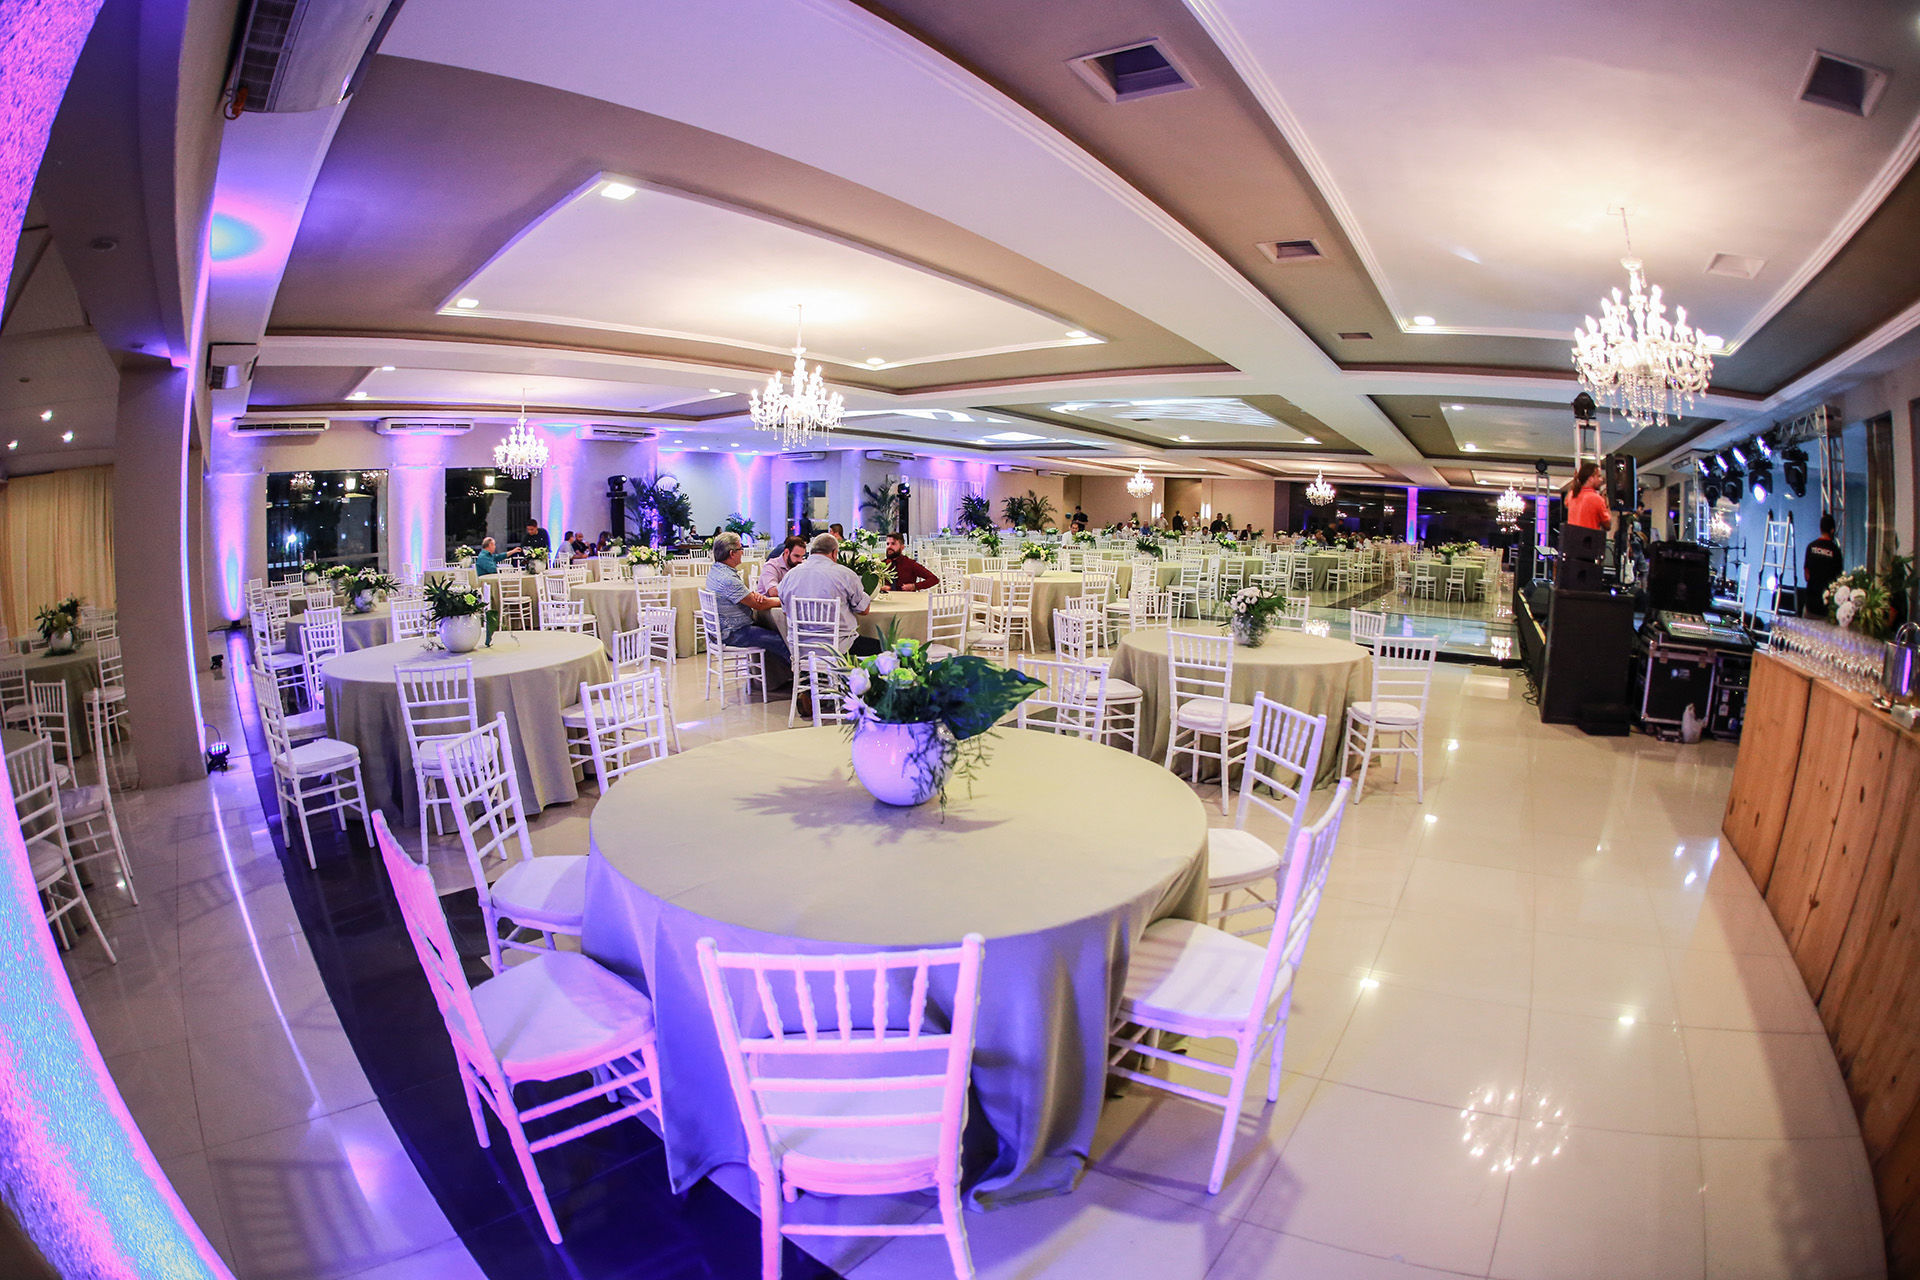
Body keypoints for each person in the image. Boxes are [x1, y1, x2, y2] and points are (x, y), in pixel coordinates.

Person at [704, 533, 789, 690]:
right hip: (734, 632)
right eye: (740, 548)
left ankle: (778, 679)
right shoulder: (728, 579)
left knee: (771, 633)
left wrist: (753, 596)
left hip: (720, 631)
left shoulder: (716, 571)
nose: (742, 552)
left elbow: (749, 598)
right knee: (782, 640)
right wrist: (784, 601)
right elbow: (759, 606)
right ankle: (802, 681)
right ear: (732, 553)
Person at [779, 533, 881, 656]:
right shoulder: (845, 575)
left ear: (811, 551)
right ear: (834, 553)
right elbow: (864, 610)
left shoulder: (789, 576)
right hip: (839, 648)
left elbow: (786, 611)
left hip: (801, 648)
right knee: (883, 646)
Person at [1803, 512, 1843, 615]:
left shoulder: (1810, 547)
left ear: (1820, 528)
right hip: (1827, 606)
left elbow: (1806, 576)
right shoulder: (1835, 551)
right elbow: (1838, 579)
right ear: (1832, 530)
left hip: (1811, 603)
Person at [1565, 461, 1610, 531]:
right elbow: (1607, 525)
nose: (1601, 480)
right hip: (1589, 537)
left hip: (1572, 537)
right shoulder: (1596, 498)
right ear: (1590, 478)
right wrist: (1607, 506)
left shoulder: (1571, 494)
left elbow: (1566, 503)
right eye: (1599, 476)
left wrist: (1575, 482)